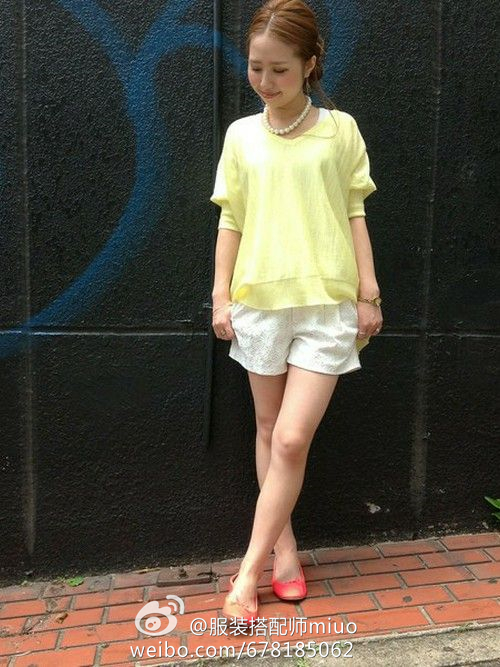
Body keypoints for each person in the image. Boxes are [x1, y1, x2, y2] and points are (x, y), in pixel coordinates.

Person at [209, 0, 383, 624]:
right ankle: (283, 551)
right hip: (260, 303)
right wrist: (220, 295)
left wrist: (368, 292)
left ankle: (246, 573)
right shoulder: (240, 135)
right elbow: (231, 219)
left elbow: (354, 211)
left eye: (279, 69)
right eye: (256, 67)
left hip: (326, 305)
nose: (265, 81)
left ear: (310, 64)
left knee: (290, 436)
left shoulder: (341, 130)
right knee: (266, 430)